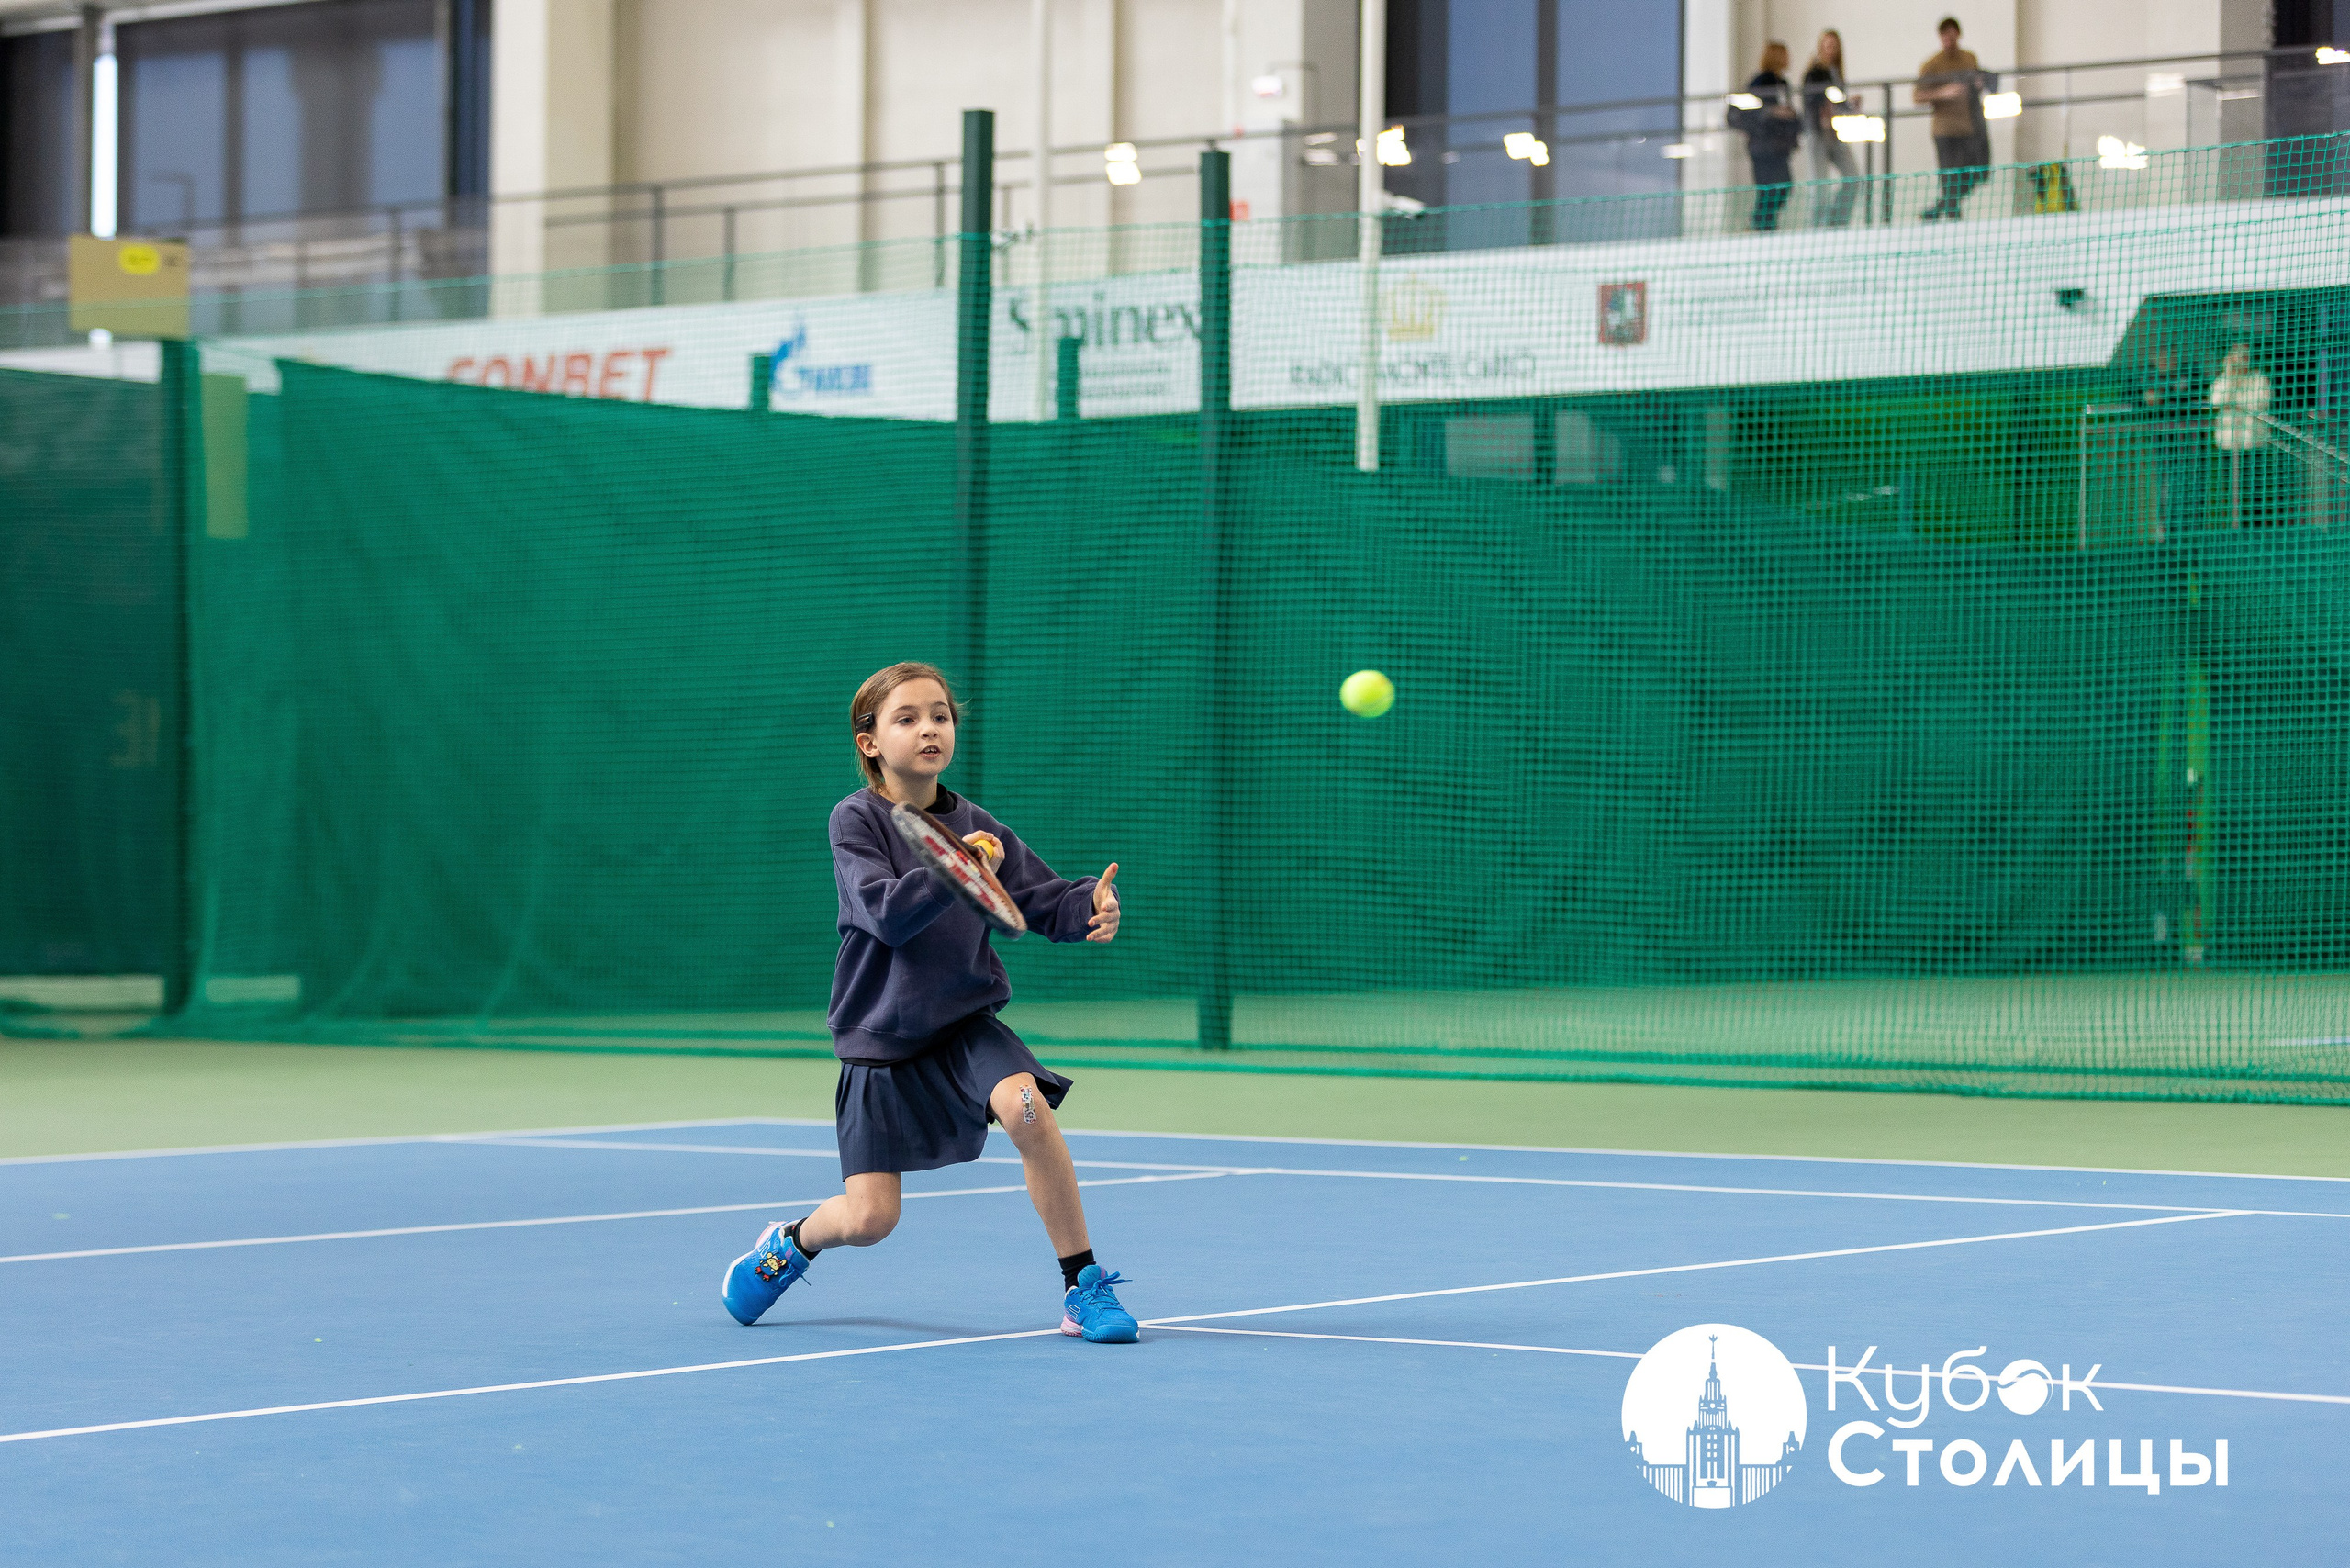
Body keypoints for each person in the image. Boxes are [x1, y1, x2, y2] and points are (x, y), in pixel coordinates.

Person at [719, 660, 1139, 1342]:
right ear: (870, 742)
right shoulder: (854, 820)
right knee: (870, 1220)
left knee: (1027, 1108)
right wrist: (951, 871)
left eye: (940, 715)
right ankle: (788, 1244)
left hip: (963, 1024)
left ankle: (1081, 1286)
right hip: (881, 1040)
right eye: (907, 719)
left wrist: (1089, 905)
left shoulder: (975, 823)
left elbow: (1035, 897)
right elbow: (883, 912)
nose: (929, 729)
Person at [1914, 17, 1992, 221]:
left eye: (1952, 35)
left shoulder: (1969, 58)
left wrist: (1979, 83)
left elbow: (1977, 85)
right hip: (1945, 131)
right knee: (1950, 179)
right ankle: (1951, 215)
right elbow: (1917, 96)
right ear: (1940, 37)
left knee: (1976, 176)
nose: (1949, 40)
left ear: (1958, 34)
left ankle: (1935, 210)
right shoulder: (1932, 65)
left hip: (1969, 129)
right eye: (1945, 36)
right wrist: (1944, 92)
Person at [1732, 42, 1804, 231]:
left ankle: (1765, 222)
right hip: (1762, 146)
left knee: (1784, 186)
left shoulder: (1783, 84)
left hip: (1780, 147)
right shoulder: (1761, 81)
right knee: (1768, 189)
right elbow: (1745, 110)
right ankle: (1761, 223)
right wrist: (1772, 112)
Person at [2210, 342, 2277, 527]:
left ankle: (2254, 527)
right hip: (2228, 443)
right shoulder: (2223, 380)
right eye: (2237, 357)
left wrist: (2236, 404)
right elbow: (2216, 402)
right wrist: (2231, 379)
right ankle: (2235, 526)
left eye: (2244, 356)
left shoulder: (2259, 379)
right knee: (2232, 488)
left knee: (2254, 489)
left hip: (2253, 443)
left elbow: (2259, 403)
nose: (2241, 361)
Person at [1802, 30, 1862, 227]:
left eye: (1834, 47)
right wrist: (1822, 114)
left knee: (1853, 178)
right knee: (1819, 187)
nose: (1830, 51)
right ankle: (1817, 229)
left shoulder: (1836, 74)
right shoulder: (1814, 73)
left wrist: (1850, 106)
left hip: (1835, 133)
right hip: (1818, 134)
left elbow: (1838, 104)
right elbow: (1812, 100)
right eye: (1827, 46)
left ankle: (1835, 223)